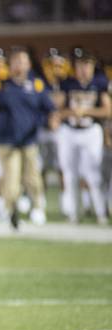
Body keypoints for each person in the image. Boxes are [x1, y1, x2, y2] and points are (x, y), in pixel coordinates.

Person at [0, 48, 55, 228]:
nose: (19, 65)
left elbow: (49, 108)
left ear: (28, 64)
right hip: (6, 139)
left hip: (28, 139)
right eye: (16, 61)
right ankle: (11, 211)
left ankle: (37, 208)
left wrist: (49, 121)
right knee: (10, 179)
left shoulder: (37, 85)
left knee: (32, 177)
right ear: (10, 64)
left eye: (22, 61)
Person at [54, 48, 111, 224]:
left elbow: (107, 111)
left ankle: (101, 212)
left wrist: (86, 111)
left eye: (87, 65)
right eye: (80, 65)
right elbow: (58, 111)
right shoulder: (67, 83)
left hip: (90, 131)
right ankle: (73, 214)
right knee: (70, 174)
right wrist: (72, 112)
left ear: (93, 66)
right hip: (69, 131)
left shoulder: (100, 83)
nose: (83, 69)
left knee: (93, 174)